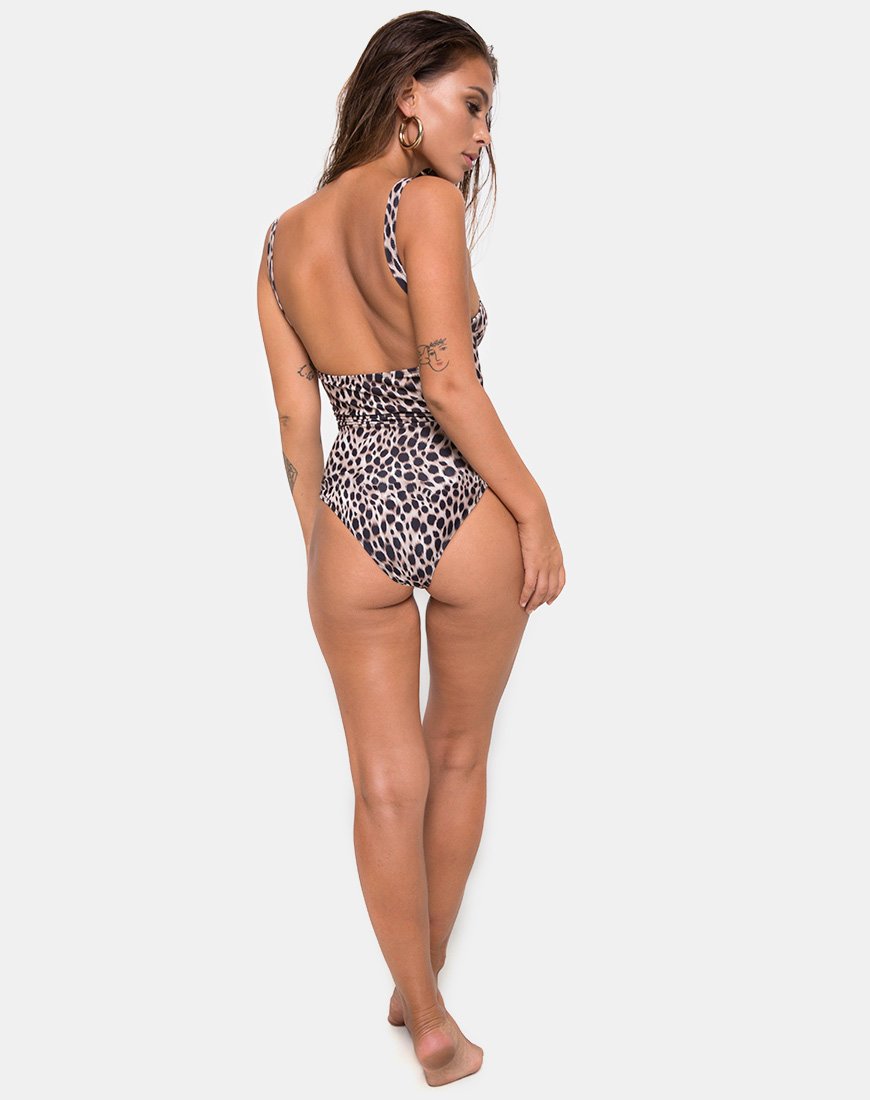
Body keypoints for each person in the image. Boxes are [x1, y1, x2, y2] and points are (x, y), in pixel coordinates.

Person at [256, 11, 565, 1087]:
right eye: (471, 106)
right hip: (456, 499)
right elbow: (446, 381)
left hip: (349, 513)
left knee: (384, 782)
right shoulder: (422, 203)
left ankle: (419, 1002)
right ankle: (422, 988)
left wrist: (323, 549)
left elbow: (296, 422)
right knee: (457, 754)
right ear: (407, 96)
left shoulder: (279, 240)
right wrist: (535, 510)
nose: (481, 135)